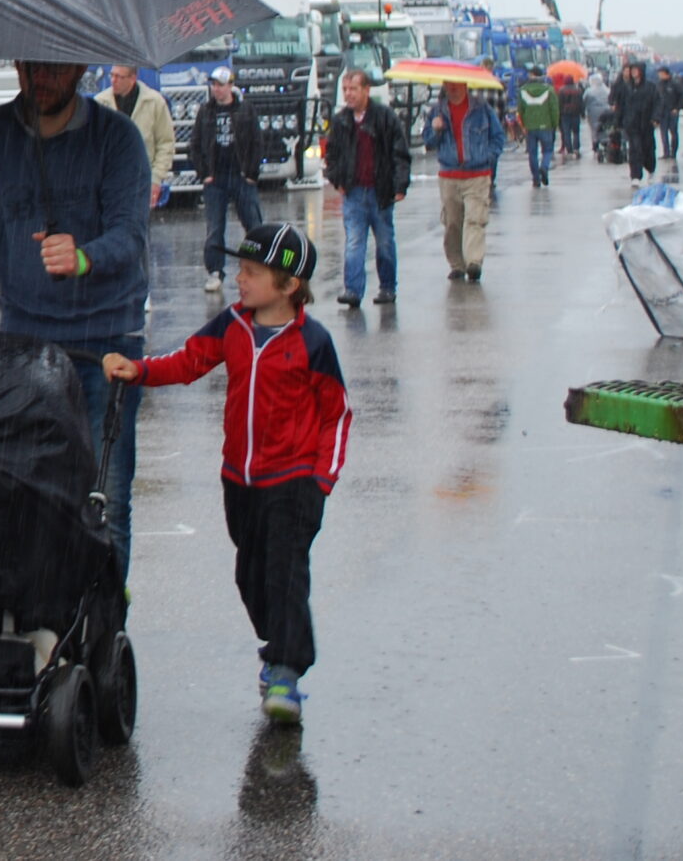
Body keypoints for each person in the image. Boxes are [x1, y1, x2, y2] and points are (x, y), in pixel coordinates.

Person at [103, 221, 349, 725]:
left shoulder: (314, 343)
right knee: (251, 575)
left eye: (252, 272)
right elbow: (191, 360)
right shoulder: (232, 326)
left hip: (294, 481)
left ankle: (286, 669)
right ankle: (276, 641)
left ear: (289, 286)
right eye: (240, 269)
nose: (240, 279)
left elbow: (336, 414)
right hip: (240, 481)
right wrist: (141, 369)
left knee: (284, 574)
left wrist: (321, 481)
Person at [0, 59, 155, 579]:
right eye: (31, 65)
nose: (42, 76)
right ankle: (40, 623)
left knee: (106, 500)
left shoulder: (119, 139)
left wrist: (84, 256)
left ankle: (103, 632)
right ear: (16, 63)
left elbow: (130, 237)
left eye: (56, 67)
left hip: (107, 342)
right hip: (23, 343)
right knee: (20, 495)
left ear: (82, 66)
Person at [322, 68, 410, 306]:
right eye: (345, 90)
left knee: (384, 242)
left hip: (380, 191)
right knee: (354, 242)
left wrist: (400, 184)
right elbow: (331, 155)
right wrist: (336, 180)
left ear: (366, 90)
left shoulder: (384, 117)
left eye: (353, 89)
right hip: (353, 192)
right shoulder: (341, 121)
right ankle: (352, 290)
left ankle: (387, 288)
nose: (349, 94)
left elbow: (399, 152)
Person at [192, 66, 263, 296]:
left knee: (253, 224)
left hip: (241, 175)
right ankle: (215, 271)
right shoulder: (205, 111)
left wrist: (252, 173)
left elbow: (256, 141)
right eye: (214, 85)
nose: (217, 89)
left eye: (221, 85)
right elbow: (194, 144)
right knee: (214, 227)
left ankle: (260, 266)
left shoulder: (245, 109)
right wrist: (204, 174)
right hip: (216, 177)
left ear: (231, 85)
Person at [424, 77, 502, 280]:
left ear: (465, 86)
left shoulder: (481, 109)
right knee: (452, 222)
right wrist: (435, 129)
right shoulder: (437, 111)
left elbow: (498, 137)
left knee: (475, 219)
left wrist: (488, 157)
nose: (453, 90)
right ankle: (457, 264)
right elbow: (428, 142)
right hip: (449, 175)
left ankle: (474, 262)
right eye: (449, 86)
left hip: (477, 174)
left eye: (457, 86)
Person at [106, 64, 177, 209]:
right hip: (108, 185)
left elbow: (166, 143)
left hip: (141, 182)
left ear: (133, 78)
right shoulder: (101, 102)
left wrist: (156, 179)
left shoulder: (154, 102)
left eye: (119, 76)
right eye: (111, 75)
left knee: (138, 229)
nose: (113, 80)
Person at [614, 60, 658, 183]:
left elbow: (657, 104)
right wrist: (618, 121)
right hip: (631, 124)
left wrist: (656, 118)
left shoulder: (651, 87)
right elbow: (620, 105)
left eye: (635, 70)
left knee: (647, 149)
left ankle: (650, 169)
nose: (633, 73)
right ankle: (635, 176)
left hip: (646, 124)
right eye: (631, 70)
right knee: (634, 149)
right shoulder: (626, 88)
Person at [515, 73, 559, 188]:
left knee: (532, 153)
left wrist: (523, 125)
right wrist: (555, 124)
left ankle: (536, 179)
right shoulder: (549, 90)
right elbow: (554, 109)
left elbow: (520, 109)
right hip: (546, 125)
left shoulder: (522, 91)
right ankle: (544, 167)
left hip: (530, 127)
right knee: (548, 151)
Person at [653, 66, 683, 166]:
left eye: (661, 73)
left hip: (672, 112)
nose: (659, 75)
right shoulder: (659, 85)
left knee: (673, 132)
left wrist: (677, 108)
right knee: (663, 133)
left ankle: (673, 152)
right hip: (662, 113)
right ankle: (666, 152)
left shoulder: (675, 83)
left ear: (666, 73)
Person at [557, 75, 584, 161]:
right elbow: (581, 103)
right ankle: (576, 148)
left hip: (565, 114)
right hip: (576, 113)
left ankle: (569, 150)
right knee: (576, 132)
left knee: (566, 132)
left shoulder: (561, 90)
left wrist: (559, 113)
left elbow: (559, 104)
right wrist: (582, 113)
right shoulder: (578, 90)